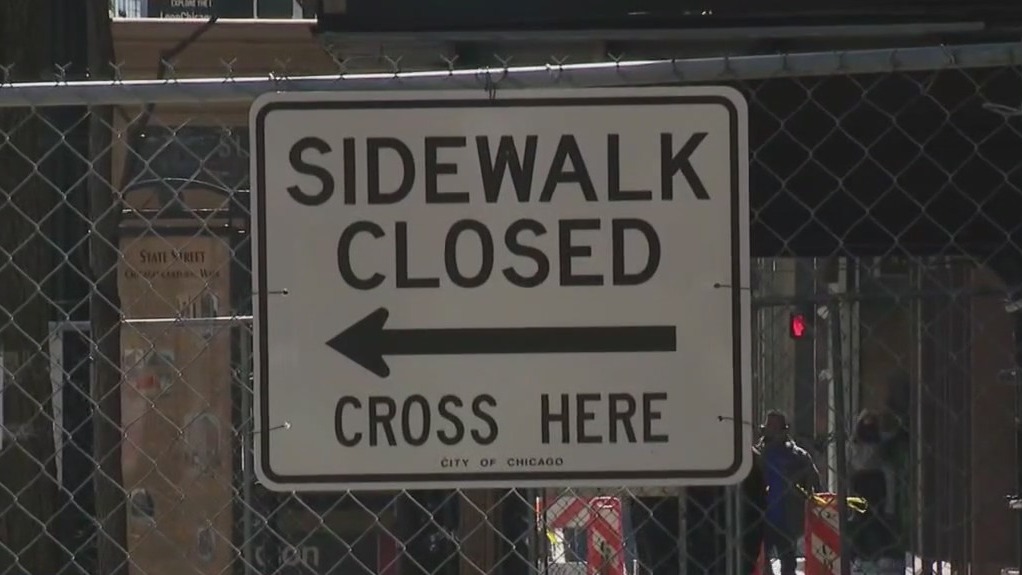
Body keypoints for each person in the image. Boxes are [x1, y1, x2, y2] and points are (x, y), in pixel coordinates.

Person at [757, 410, 820, 575]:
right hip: (762, 514)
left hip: (787, 516)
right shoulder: (757, 455)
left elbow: (813, 480)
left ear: (784, 430)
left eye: (775, 427)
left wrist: (813, 499)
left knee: (788, 560)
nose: (772, 431)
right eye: (769, 426)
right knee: (762, 561)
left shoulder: (797, 456)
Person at [847, 409, 896, 564]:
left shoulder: (879, 440)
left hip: (875, 481)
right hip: (860, 481)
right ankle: (859, 556)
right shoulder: (855, 442)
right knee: (860, 520)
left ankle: (874, 556)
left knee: (875, 521)